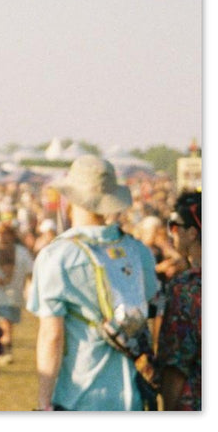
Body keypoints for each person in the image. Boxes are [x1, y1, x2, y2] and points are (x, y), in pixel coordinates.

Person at [27, 156, 160, 411]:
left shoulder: (58, 256)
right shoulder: (137, 250)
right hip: (131, 394)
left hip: (77, 393)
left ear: (71, 198)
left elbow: (51, 335)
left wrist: (43, 400)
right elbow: (153, 312)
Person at [156, 191, 201, 411]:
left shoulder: (186, 288)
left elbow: (176, 365)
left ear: (192, 233)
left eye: (175, 226)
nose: (171, 233)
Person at [0, 222, 34, 364]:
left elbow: (30, 271)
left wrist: (31, 288)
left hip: (15, 295)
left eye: (5, 233)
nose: (2, 237)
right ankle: (5, 350)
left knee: (7, 323)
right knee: (4, 322)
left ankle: (2, 349)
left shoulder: (21, 252)